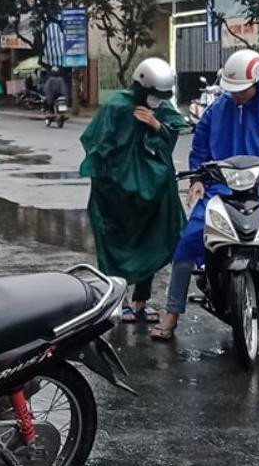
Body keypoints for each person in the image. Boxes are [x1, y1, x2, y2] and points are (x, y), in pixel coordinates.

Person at [151, 48, 259, 343]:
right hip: (222, 187)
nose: (237, 95)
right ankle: (172, 312)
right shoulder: (217, 109)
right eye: (233, 90)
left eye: (242, 89)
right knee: (189, 239)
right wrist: (198, 181)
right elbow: (200, 149)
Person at [79, 58, 185, 323]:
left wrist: (156, 125)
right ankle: (119, 299)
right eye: (153, 95)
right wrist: (112, 176)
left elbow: (174, 132)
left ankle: (141, 301)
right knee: (116, 243)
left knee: (151, 240)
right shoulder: (117, 106)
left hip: (154, 191)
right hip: (116, 193)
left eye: (162, 97)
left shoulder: (162, 109)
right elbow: (96, 144)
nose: (157, 101)